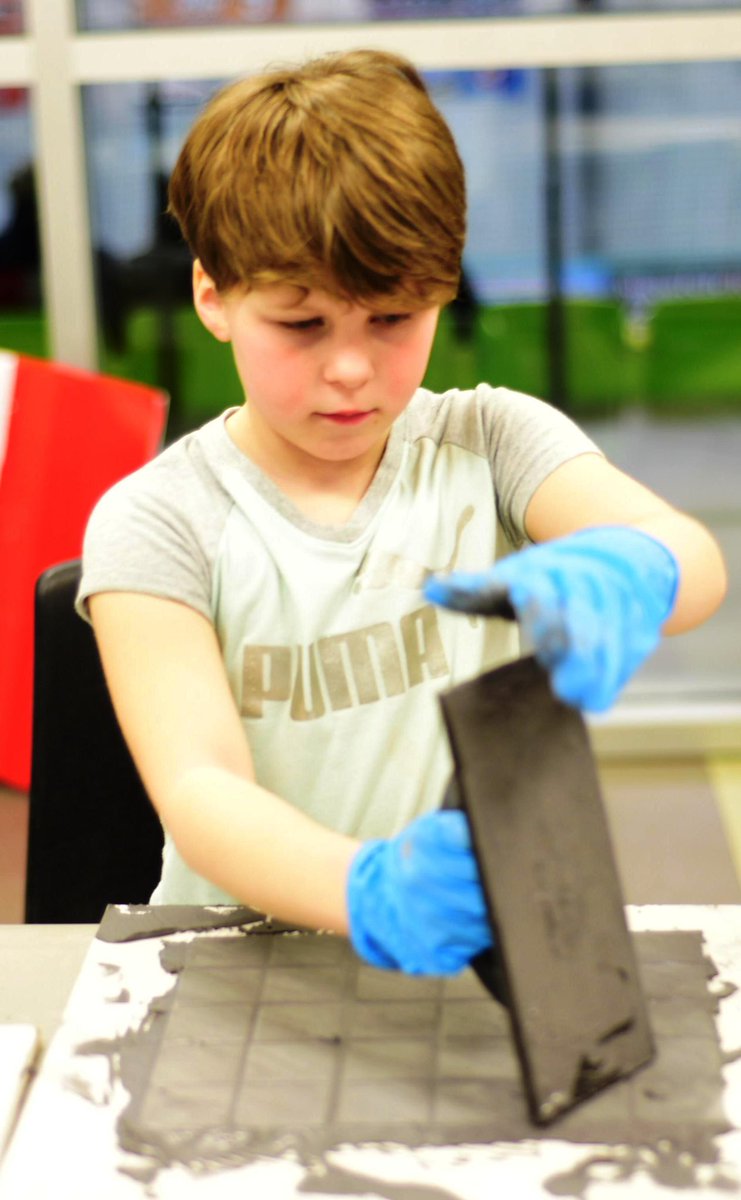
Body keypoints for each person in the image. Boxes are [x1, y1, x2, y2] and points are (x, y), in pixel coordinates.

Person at [77, 49, 727, 977]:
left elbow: (695, 567)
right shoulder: (157, 520)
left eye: (392, 318)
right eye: (302, 325)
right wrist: (364, 890)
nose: (350, 369)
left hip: (472, 956)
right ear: (213, 297)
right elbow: (199, 786)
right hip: (234, 962)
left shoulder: (491, 442)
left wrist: (638, 567)